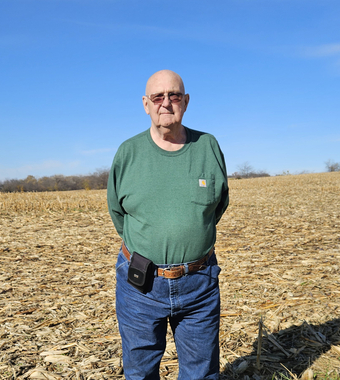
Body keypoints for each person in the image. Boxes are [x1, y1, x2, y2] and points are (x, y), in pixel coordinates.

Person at [107, 69, 229, 380]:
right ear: (145, 104)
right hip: (141, 285)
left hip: (199, 282)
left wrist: (189, 238)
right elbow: (117, 213)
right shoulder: (128, 153)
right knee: (140, 372)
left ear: (185, 101)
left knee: (201, 373)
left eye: (173, 95)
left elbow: (218, 204)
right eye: (157, 97)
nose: (166, 103)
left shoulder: (208, 147)